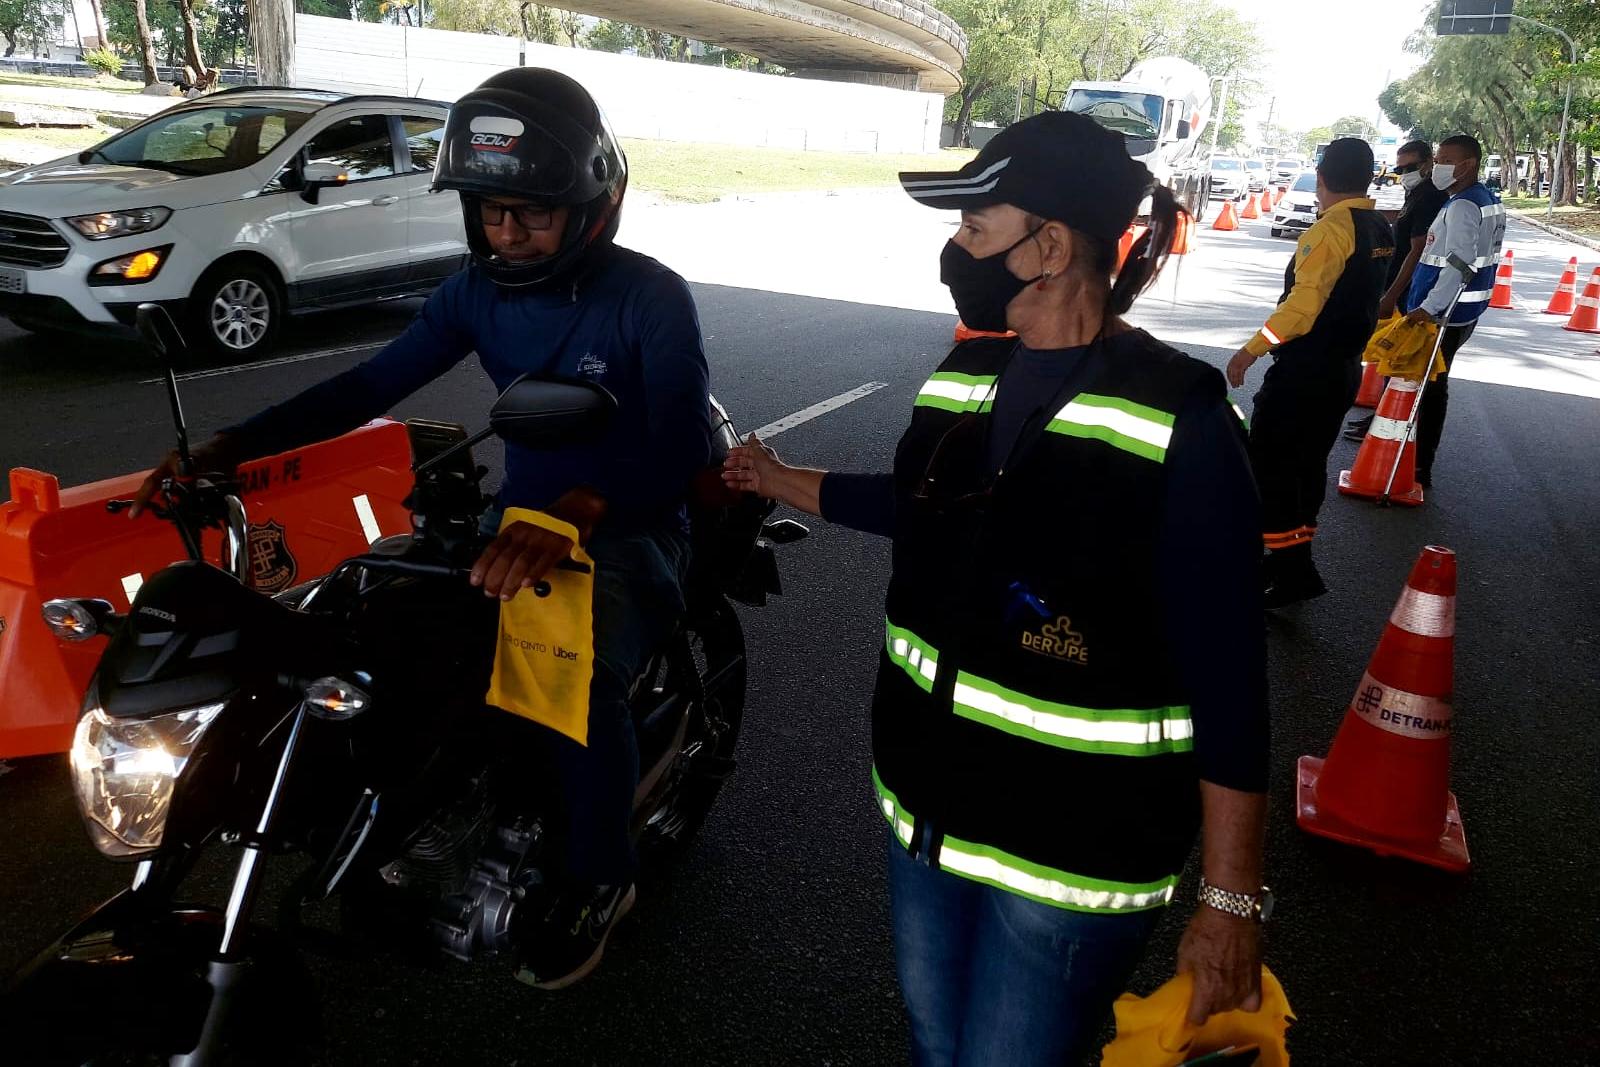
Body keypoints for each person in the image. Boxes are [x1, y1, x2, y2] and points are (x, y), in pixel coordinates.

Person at [130, 68, 711, 989]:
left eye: (533, 213)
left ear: (592, 206)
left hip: (629, 522)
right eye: (490, 210)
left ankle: (604, 880)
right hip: (514, 518)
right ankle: (417, 811)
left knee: (576, 681)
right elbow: (368, 387)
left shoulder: (649, 296)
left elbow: (681, 435)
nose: (508, 232)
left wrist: (585, 510)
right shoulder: (473, 293)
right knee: (383, 622)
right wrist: (233, 446)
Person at [723, 111, 1271, 1066]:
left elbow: (1229, 677)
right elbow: (923, 506)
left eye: (975, 230)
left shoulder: (1180, 415)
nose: (955, 250)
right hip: (927, 807)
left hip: (1071, 851)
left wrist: (1228, 903)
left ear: (1049, 246)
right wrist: (781, 480)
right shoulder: (967, 370)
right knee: (937, 1042)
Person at [1226, 138, 1394, 609]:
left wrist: (1251, 350)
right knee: (1305, 468)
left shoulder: (1330, 230)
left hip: (1305, 372)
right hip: (1342, 371)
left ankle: (1291, 570)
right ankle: (1287, 561)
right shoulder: (1378, 225)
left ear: (1321, 177)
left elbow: (1302, 309)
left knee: (1274, 467)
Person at [1401, 134, 1505, 488]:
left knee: (1429, 386)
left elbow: (1459, 263)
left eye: (1446, 159)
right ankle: (1416, 460)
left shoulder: (1462, 205)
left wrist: (1429, 308)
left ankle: (1417, 466)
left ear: (1467, 165)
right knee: (1432, 384)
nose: (1438, 166)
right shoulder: (1484, 199)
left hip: (1444, 313)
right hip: (1465, 311)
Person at [1345, 139, 1449, 442]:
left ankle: (1392, 422)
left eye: (1410, 166)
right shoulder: (1416, 193)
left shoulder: (1429, 196)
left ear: (1427, 163)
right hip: (1403, 287)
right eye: (1400, 167)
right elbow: (1402, 223)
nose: (1404, 172)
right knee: (1393, 357)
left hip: (1409, 291)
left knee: (1401, 357)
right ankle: (1381, 416)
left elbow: (1416, 249)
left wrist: (1390, 294)